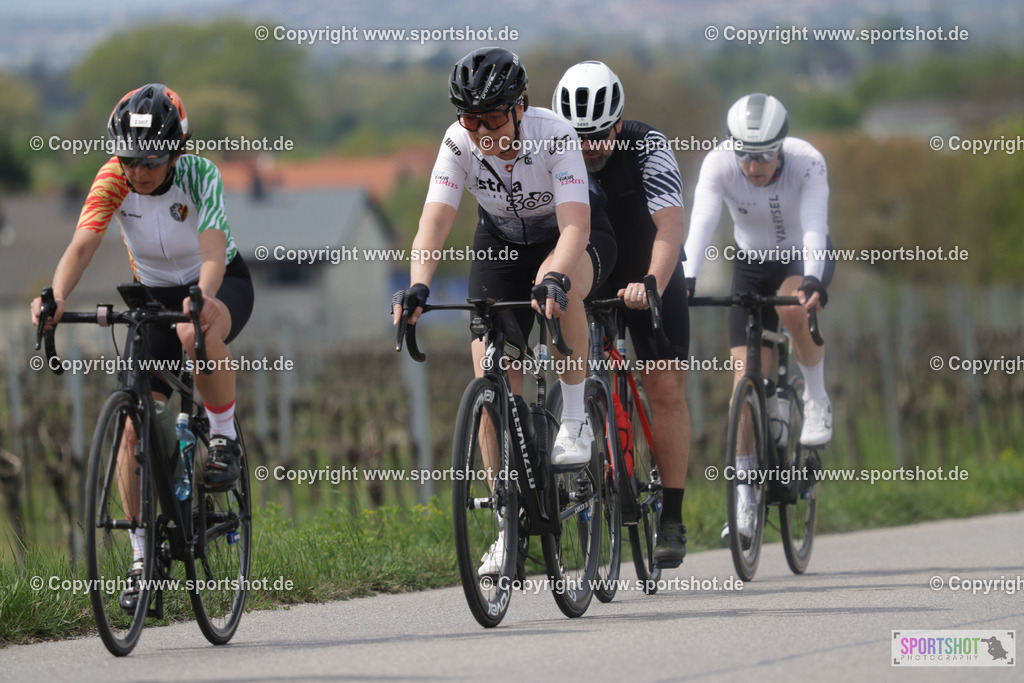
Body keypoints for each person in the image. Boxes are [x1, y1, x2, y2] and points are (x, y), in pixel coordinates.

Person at [391, 47, 617, 574]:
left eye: (491, 119)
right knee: (489, 373)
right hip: (499, 245)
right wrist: (418, 286)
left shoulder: (553, 133)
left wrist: (558, 275)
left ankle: (577, 417)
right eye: (469, 119)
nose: (479, 131)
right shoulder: (458, 141)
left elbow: (575, 228)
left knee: (560, 293)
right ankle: (505, 524)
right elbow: (434, 222)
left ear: (520, 107)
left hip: (571, 236)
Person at [31, 84, 254, 609]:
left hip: (217, 280)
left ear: (177, 148)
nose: (140, 171)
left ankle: (223, 437)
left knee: (194, 331)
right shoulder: (114, 178)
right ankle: (141, 557)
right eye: (130, 159)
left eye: (152, 159)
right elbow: (83, 242)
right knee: (133, 428)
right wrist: (56, 297)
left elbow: (213, 247)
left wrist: (200, 298)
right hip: (151, 292)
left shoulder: (199, 174)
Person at [552, 60, 691, 568]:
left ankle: (672, 514)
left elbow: (671, 227)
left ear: (618, 124)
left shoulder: (647, 146)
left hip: (647, 269)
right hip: (591, 267)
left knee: (665, 387)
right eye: (578, 137)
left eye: (599, 136)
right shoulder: (550, 146)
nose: (588, 148)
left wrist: (653, 281)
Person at [682, 93, 834, 543]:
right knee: (744, 384)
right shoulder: (719, 165)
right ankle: (746, 502)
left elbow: (813, 227)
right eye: (746, 154)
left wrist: (811, 280)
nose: (754, 165)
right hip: (749, 266)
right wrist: (685, 280)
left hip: (801, 260)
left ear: (782, 146)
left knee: (791, 309)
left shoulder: (808, 162)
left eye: (766, 154)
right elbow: (701, 226)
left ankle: (817, 398)